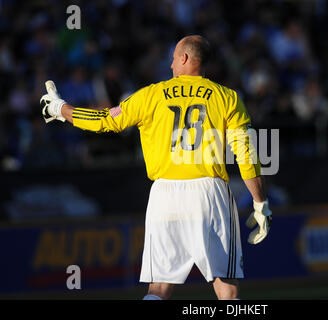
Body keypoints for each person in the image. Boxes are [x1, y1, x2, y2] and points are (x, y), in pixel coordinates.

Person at [39, 35, 272, 300]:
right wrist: (259, 202)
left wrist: (61, 109)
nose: (171, 65)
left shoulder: (151, 95)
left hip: (164, 195)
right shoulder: (227, 98)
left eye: (173, 58)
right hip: (209, 193)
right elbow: (246, 155)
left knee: (158, 289)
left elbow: (104, 121)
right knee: (227, 290)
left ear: (184, 58)